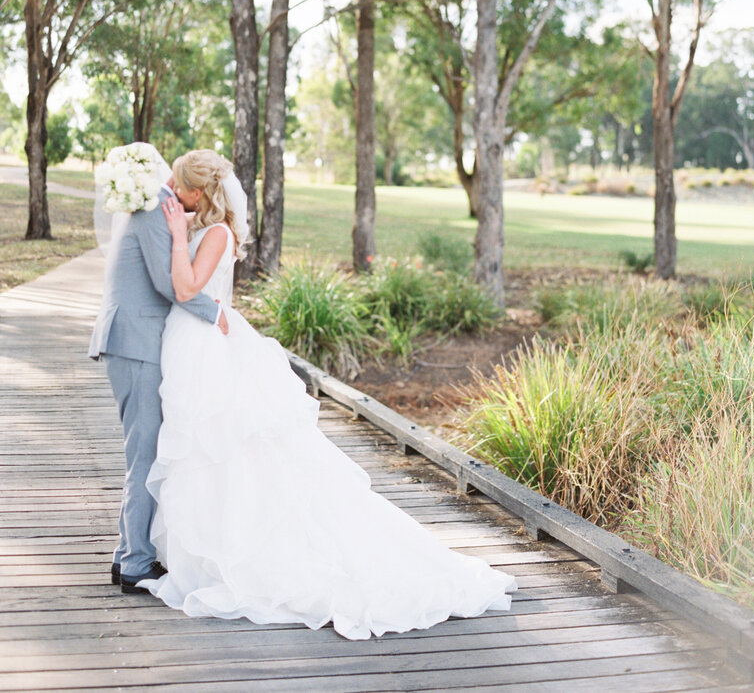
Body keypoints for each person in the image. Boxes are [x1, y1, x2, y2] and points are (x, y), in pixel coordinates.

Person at [137, 148, 517, 639]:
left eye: (180, 185)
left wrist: (172, 237)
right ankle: (203, 551)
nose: (174, 192)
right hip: (193, 345)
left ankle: (238, 553)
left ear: (199, 192)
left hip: (207, 349)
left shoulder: (217, 233)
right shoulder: (204, 228)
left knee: (223, 447)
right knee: (208, 449)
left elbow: (187, 290)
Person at [89, 151, 229, 595]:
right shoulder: (156, 210)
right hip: (135, 342)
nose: (201, 200)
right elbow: (171, 285)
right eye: (202, 192)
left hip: (137, 340)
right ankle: (134, 563)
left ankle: (128, 553)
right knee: (144, 453)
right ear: (191, 189)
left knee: (144, 449)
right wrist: (215, 314)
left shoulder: (157, 205)